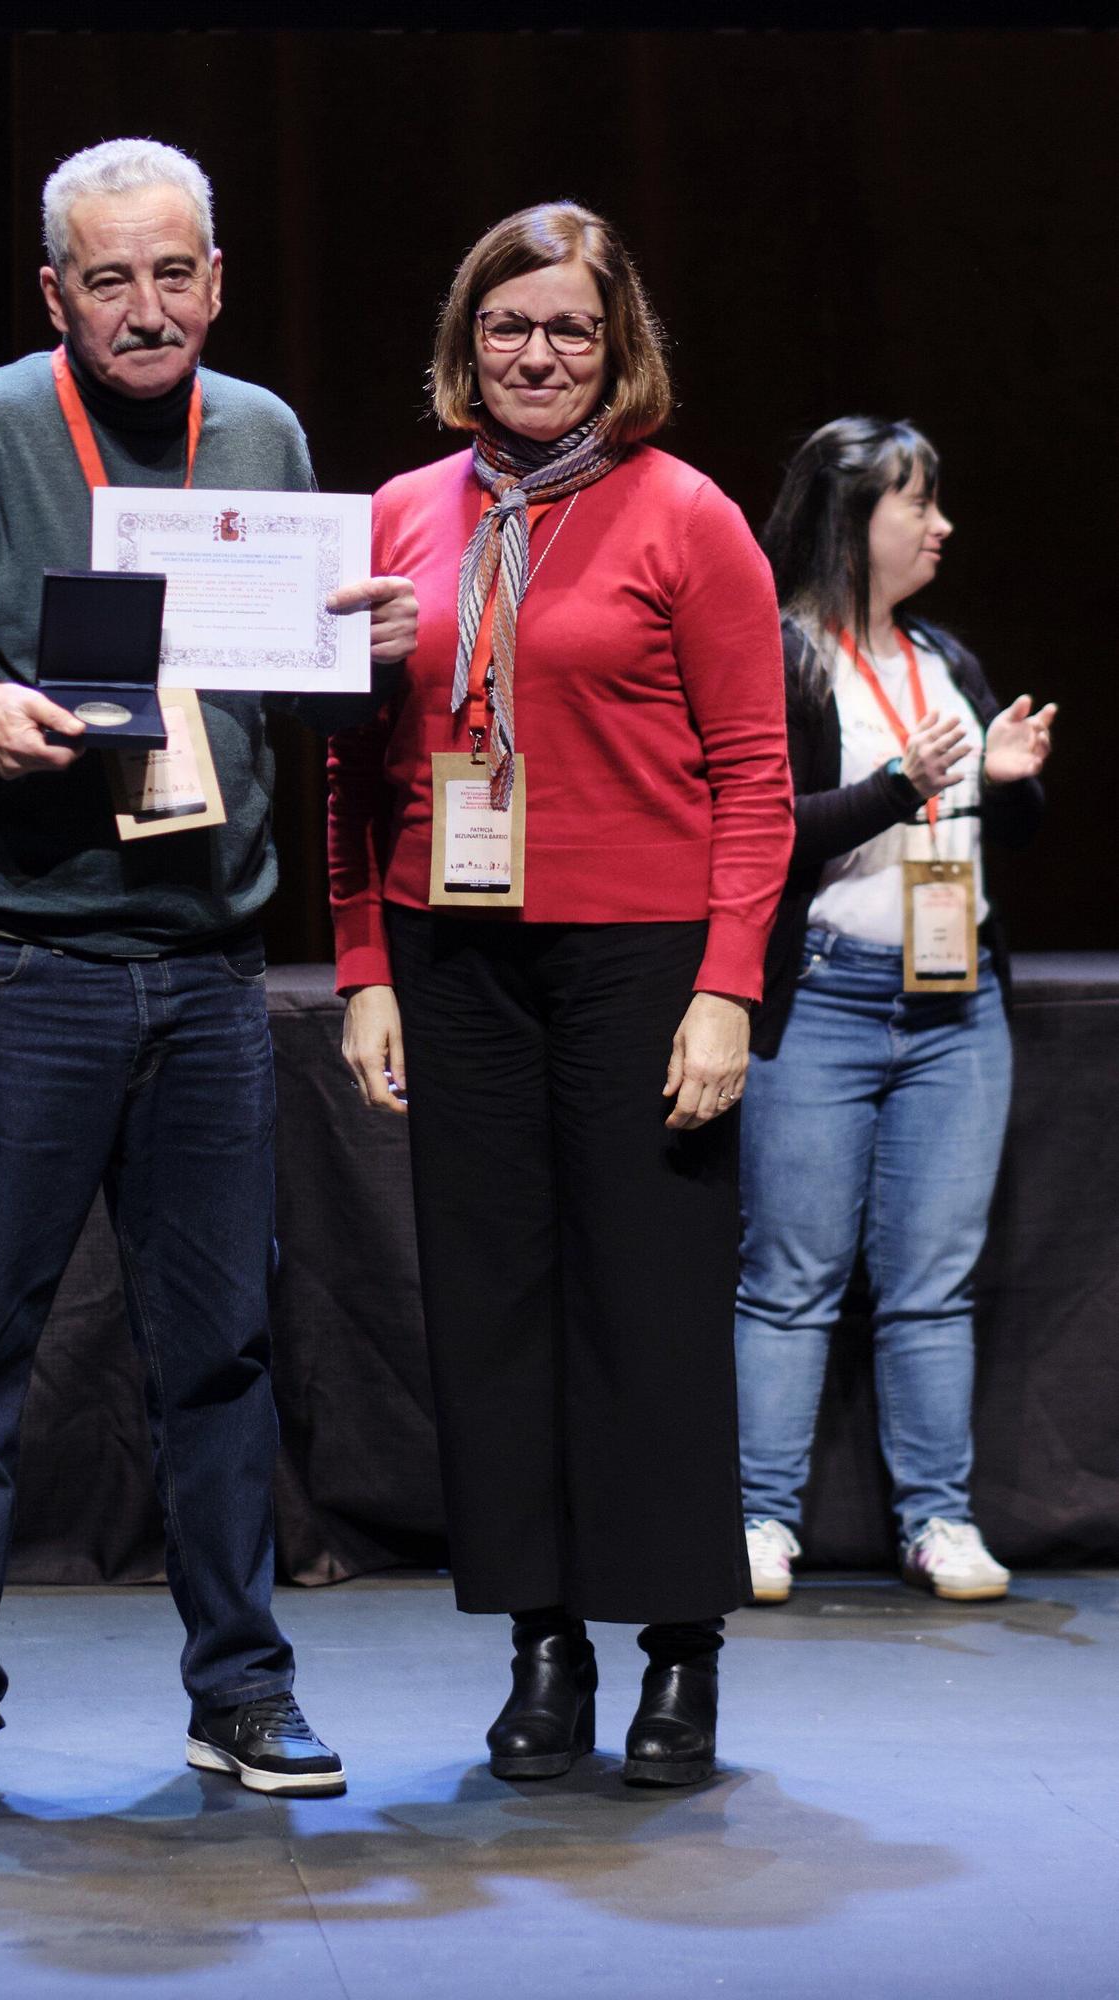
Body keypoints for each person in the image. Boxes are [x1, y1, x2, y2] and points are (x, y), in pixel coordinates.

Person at [0, 137, 416, 1817]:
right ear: (55, 293)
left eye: (173, 273)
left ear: (218, 281)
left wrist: (368, 653)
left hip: (208, 978)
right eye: (110, 277)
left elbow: (293, 688)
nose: (146, 307)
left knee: (223, 1356)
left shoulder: (264, 437)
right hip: (16, 973)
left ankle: (243, 1689)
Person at [328, 203, 793, 1786]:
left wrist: (725, 989)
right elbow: (348, 771)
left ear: (615, 346)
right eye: (507, 326)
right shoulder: (400, 513)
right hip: (451, 954)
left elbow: (753, 777)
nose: (536, 354)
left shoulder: (686, 516)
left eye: (568, 329)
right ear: (466, 343)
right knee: (490, 1308)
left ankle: (677, 1651)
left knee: (644, 1307)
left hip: (638, 960)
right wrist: (361, 968)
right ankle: (541, 1645)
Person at [736, 417, 1054, 1608]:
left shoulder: (944, 658)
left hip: (954, 1003)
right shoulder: (782, 657)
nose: (940, 525)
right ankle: (759, 1516)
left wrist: (1005, 783)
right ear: (848, 517)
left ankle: (939, 1518)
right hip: (823, 995)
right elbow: (762, 833)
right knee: (790, 1275)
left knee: (932, 1281)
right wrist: (892, 786)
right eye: (915, 503)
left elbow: (997, 830)